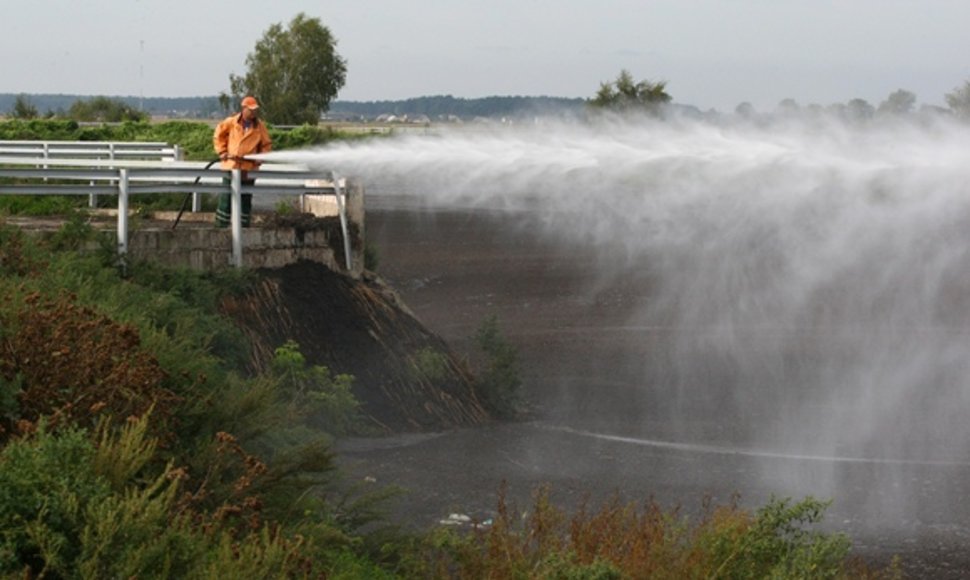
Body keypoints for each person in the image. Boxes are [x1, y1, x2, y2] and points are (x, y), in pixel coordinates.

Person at [212, 96, 272, 227]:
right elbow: (218, 136)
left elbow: (266, 144)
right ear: (243, 108)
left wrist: (261, 158)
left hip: (248, 168)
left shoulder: (259, 126)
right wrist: (222, 152)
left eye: (255, 110)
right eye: (251, 110)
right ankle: (220, 226)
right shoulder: (231, 122)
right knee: (226, 198)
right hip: (231, 166)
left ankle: (243, 226)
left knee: (245, 199)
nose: (253, 112)